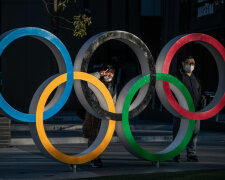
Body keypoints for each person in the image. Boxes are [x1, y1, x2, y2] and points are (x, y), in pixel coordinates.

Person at [82, 65, 117, 167]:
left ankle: (96, 156)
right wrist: (99, 74)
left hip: (105, 114)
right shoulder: (96, 82)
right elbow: (85, 80)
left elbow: (114, 100)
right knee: (92, 135)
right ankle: (94, 158)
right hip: (93, 111)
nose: (109, 75)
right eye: (107, 72)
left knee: (101, 136)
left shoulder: (113, 85)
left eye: (111, 73)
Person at [173, 56, 202, 162]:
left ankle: (191, 154)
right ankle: (175, 153)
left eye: (193, 63)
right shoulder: (177, 76)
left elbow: (198, 91)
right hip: (181, 110)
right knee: (178, 132)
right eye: (188, 63)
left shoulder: (195, 78)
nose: (191, 65)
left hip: (195, 110)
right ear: (182, 63)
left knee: (194, 133)